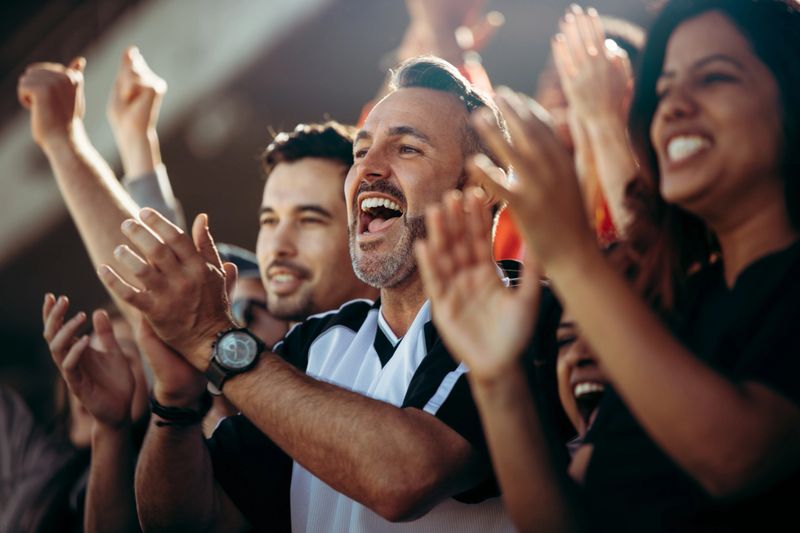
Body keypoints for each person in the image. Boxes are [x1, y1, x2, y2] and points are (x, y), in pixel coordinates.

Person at [415, 0, 800, 530]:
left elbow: (735, 459)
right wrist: (497, 379)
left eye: (714, 78)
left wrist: (572, 256)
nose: (674, 107)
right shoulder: (676, 309)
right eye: (662, 90)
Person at [97, 57, 513, 531]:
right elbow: (193, 521)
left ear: (478, 189)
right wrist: (174, 404)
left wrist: (217, 341)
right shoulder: (316, 343)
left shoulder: (529, 313)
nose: (369, 169)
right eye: (361, 152)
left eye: (407, 149)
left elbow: (405, 477)